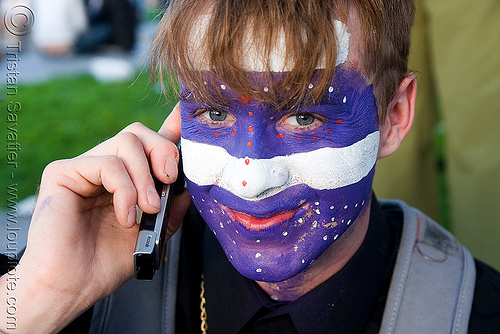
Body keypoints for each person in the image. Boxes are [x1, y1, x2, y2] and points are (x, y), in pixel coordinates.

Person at [1, 0, 499, 333]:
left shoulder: (476, 313)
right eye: (215, 113)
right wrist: (36, 301)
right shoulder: (74, 285)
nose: (252, 178)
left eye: (305, 116)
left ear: (394, 116)